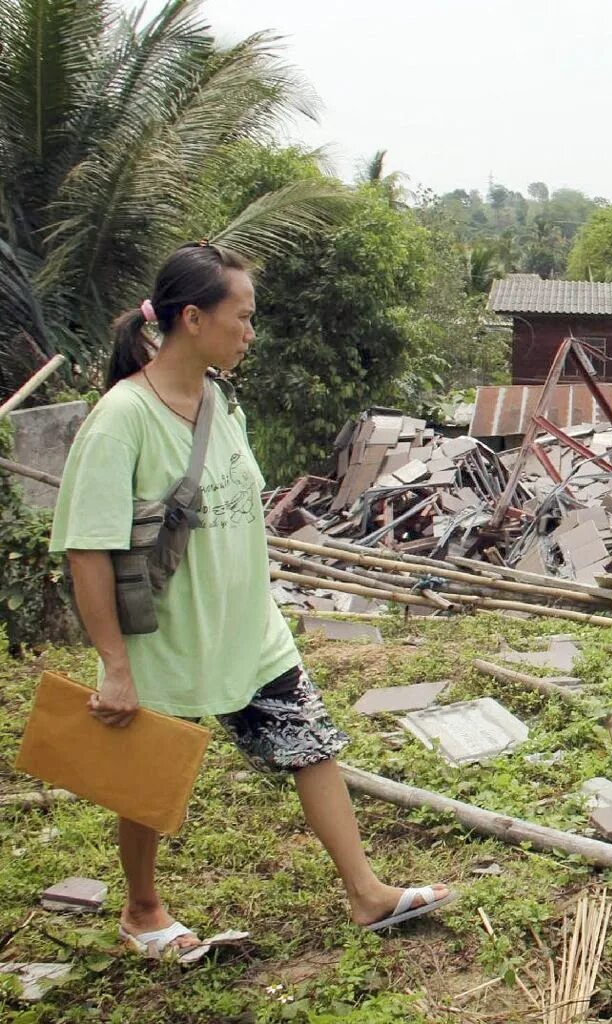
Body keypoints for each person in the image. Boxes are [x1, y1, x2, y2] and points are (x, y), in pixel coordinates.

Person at [48, 242, 452, 960]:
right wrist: (115, 664)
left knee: (312, 746)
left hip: (250, 630)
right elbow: (87, 548)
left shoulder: (221, 402)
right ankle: (142, 911)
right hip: (167, 639)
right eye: (243, 316)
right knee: (147, 778)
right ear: (193, 318)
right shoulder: (121, 419)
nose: (250, 332)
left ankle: (366, 892)